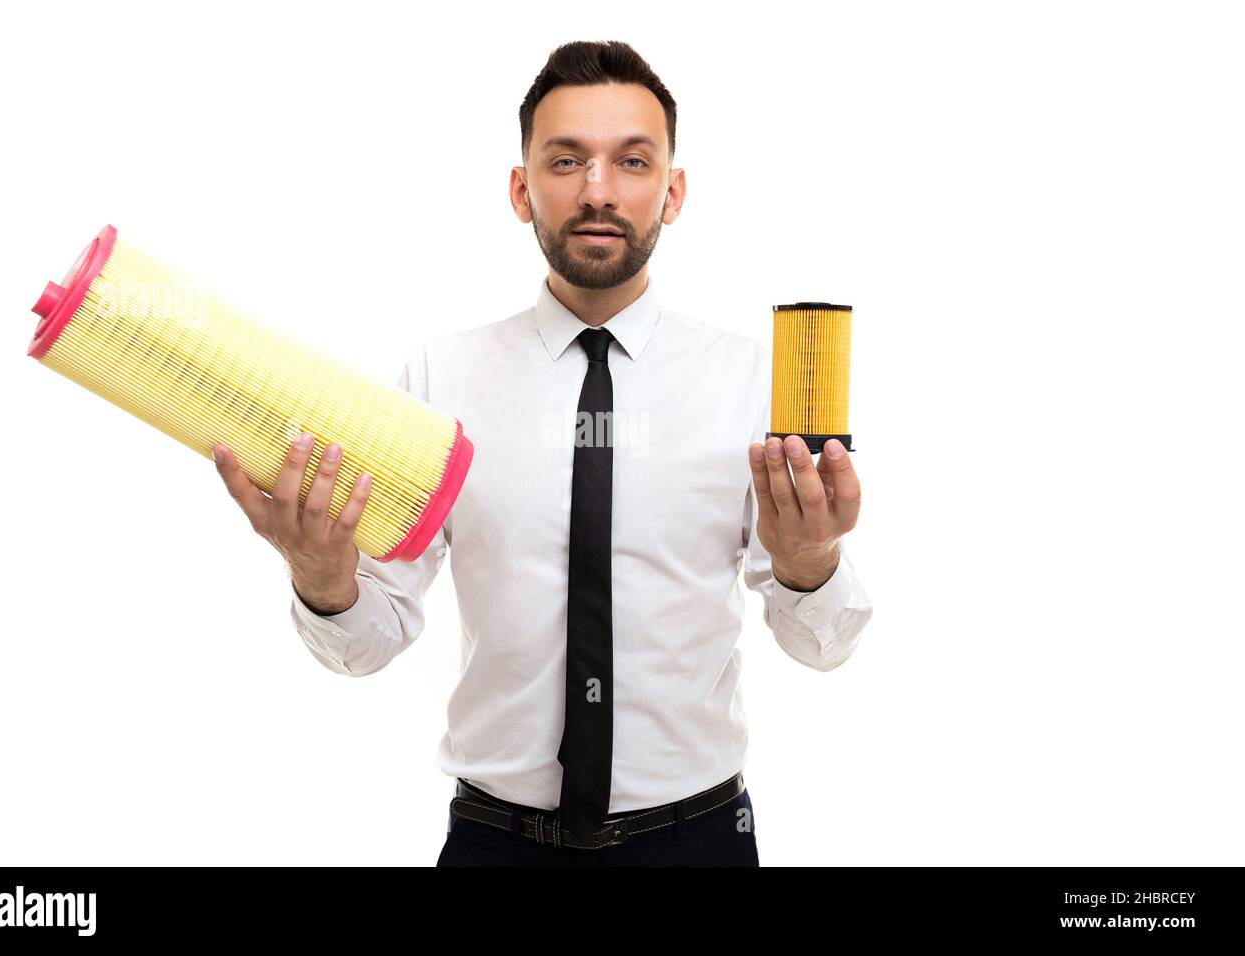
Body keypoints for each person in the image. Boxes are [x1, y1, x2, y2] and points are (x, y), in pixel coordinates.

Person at [212, 40, 873, 867]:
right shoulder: (438, 379)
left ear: (672, 192)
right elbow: (368, 641)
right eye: (567, 161)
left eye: (633, 161)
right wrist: (323, 579)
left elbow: (823, 645)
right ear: (523, 191)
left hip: (697, 842)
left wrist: (811, 560)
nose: (598, 190)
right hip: (497, 846)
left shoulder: (754, 384)